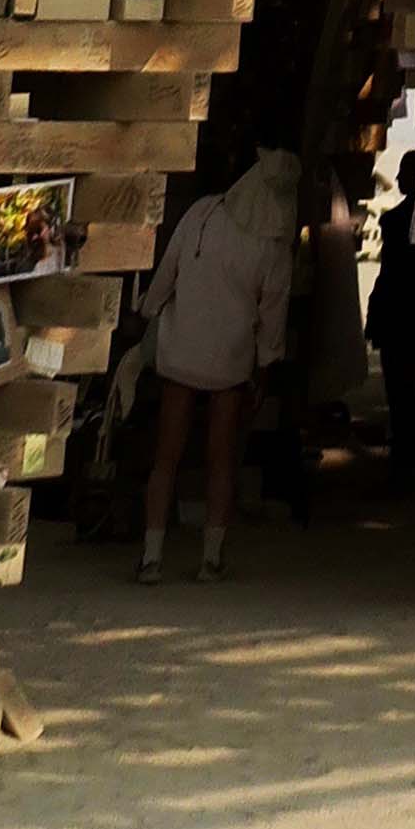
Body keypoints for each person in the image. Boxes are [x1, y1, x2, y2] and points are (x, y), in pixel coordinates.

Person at [138, 143, 298, 583]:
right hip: (230, 361)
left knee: (165, 457)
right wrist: (266, 365)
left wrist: (147, 316)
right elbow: (272, 316)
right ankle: (211, 558)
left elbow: (167, 272)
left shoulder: (203, 213)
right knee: (221, 459)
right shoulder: (274, 246)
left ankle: (151, 557)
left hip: (180, 351)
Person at [366, 190, 415, 495]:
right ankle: (404, 456)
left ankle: (403, 460)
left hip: (400, 311)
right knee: (406, 387)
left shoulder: (399, 221)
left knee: (401, 389)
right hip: (413, 312)